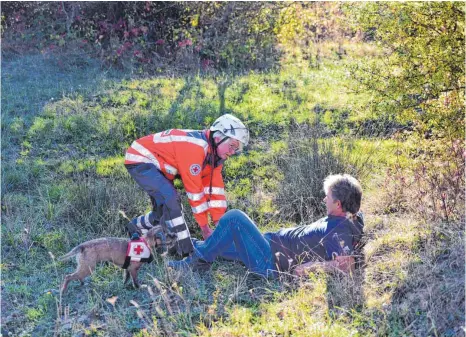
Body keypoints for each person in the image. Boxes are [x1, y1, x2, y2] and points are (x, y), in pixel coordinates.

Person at [168, 174, 364, 276]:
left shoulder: (339, 228)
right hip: (267, 245)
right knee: (219, 245)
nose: (324, 200)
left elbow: (347, 265)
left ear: (338, 204)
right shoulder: (351, 217)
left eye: (328, 197)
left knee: (234, 217)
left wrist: (312, 267)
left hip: (268, 262)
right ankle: (174, 245)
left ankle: (195, 263)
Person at [124, 114, 249, 257]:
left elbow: (216, 194)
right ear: (218, 138)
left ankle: (134, 227)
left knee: (164, 211)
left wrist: (220, 227)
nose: (232, 152)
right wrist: (205, 229)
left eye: (236, 149)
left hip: (157, 164)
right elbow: (194, 192)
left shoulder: (214, 157)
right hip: (140, 158)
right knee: (171, 201)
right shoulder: (196, 148)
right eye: (231, 146)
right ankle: (185, 252)